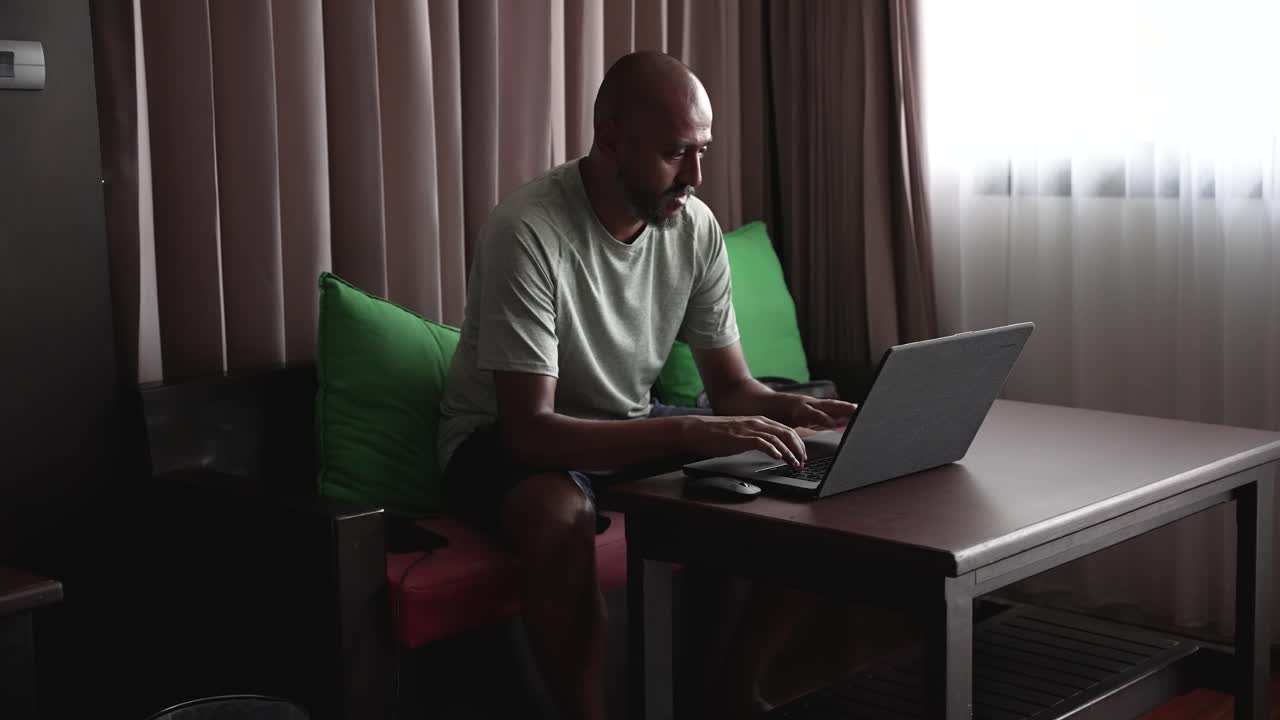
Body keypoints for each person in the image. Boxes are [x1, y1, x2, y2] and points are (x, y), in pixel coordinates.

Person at [437, 50, 857, 720]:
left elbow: (732, 390)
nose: (693, 176)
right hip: (504, 438)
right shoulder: (529, 230)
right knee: (558, 516)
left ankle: (736, 691)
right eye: (674, 153)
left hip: (625, 421)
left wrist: (803, 413)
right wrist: (694, 428)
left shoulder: (694, 228)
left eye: (702, 152)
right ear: (611, 140)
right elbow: (529, 430)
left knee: (818, 476)